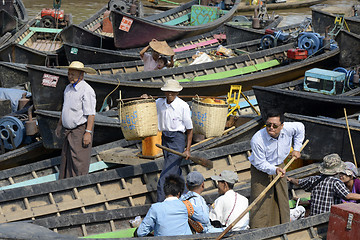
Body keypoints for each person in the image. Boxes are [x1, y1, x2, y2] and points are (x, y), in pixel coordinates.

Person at [248, 109, 305, 228]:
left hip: (280, 165)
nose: (271, 128)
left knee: (282, 197)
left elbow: (301, 127)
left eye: (275, 125)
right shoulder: (257, 139)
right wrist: (274, 170)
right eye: (268, 125)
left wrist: (297, 148)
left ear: (282, 126)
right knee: (261, 201)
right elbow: (260, 163)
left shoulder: (289, 128)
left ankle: (283, 227)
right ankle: (259, 229)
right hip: (261, 170)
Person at [55, 61, 96, 179]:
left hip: (80, 130)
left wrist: (88, 133)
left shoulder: (86, 90)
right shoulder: (67, 88)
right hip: (68, 130)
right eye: (69, 74)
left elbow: (91, 114)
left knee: (79, 161)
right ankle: (67, 182)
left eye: (73, 74)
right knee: (67, 159)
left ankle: (79, 185)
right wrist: (59, 125)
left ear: (81, 75)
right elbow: (65, 108)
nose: (70, 77)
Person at [155, 79, 193, 202]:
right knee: (175, 171)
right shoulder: (159, 103)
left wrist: (187, 150)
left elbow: (190, 130)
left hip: (177, 140)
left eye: (173, 92)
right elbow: (148, 102)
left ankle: (160, 205)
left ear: (177, 93)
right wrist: (145, 97)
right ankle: (187, 198)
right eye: (168, 92)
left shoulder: (183, 106)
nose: (170, 94)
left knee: (164, 177)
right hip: (165, 138)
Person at [287, 154, 360, 216]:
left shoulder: (314, 179)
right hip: (328, 218)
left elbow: (298, 182)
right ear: (337, 170)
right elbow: (348, 196)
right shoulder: (336, 182)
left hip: (314, 216)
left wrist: (291, 179)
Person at [136, 174, 207, 236]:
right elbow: (204, 221)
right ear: (179, 193)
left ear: (165, 191)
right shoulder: (186, 205)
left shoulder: (155, 208)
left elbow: (141, 232)